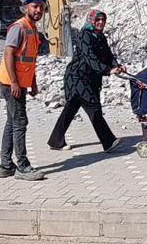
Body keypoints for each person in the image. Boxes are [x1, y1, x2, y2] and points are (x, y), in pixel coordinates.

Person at [48, 9, 125, 153]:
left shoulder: (100, 37)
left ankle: (55, 140)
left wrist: (116, 66)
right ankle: (108, 142)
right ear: (91, 20)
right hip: (77, 77)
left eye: (103, 20)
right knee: (94, 107)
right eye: (98, 19)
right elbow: (90, 58)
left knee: (70, 109)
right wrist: (107, 70)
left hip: (90, 78)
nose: (100, 22)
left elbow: (108, 55)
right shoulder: (84, 35)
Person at [0, 0, 47, 181]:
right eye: (35, 6)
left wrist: (32, 83)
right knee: (20, 123)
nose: (38, 10)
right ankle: (22, 167)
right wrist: (16, 83)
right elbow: (8, 54)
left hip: (18, 83)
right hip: (11, 84)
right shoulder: (19, 27)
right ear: (25, 7)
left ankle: (6, 166)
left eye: (41, 7)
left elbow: (29, 59)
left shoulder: (32, 28)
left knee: (12, 122)